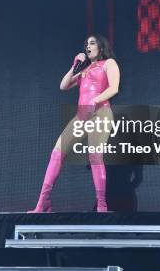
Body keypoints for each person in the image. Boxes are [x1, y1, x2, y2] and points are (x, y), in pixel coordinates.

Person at [29, 35, 120, 212]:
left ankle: (101, 204)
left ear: (101, 47)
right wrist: (75, 65)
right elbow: (63, 85)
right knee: (57, 153)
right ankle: (43, 202)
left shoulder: (109, 63)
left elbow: (114, 88)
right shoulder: (84, 69)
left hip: (100, 113)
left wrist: (95, 100)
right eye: (86, 43)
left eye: (92, 43)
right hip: (82, 115)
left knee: (95, 156)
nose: (88, 46)